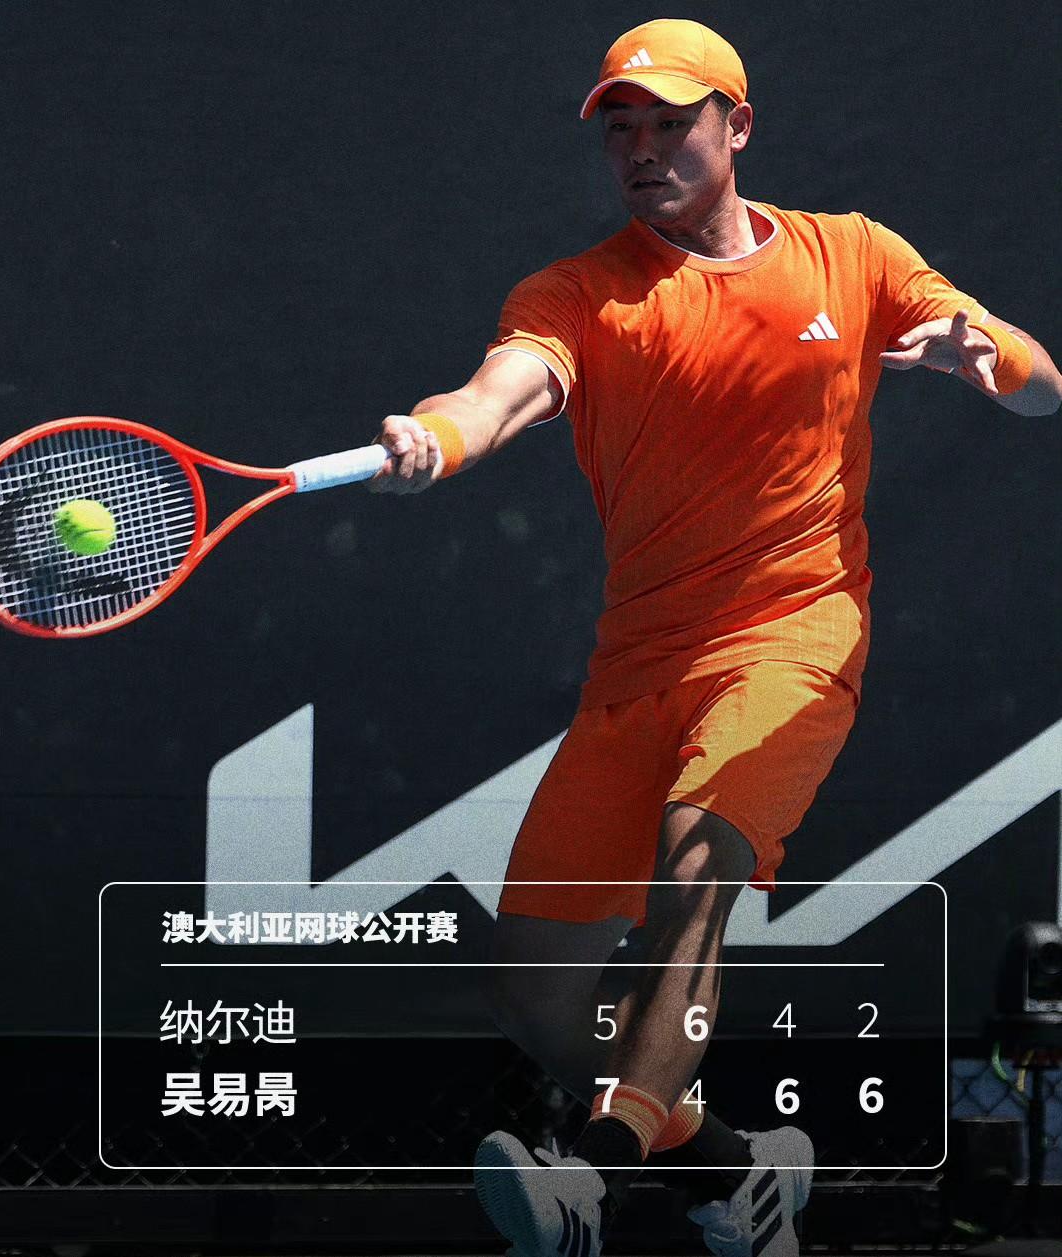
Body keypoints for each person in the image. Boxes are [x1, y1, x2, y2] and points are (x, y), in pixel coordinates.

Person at [368, 17, 1061, 1256]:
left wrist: (989, 354)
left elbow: (1041, 384)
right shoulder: (577, 294)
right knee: (535, 995)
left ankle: (592, 1177)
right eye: (622, 129)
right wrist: (443, 436)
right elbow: (501, 392)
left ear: (737, 126)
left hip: (796, 634)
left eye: (672, 123)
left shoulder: (855, 256)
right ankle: (732, 1173)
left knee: (698, 863)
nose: (642, 149)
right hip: (638, 668)